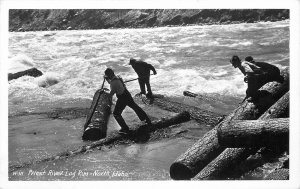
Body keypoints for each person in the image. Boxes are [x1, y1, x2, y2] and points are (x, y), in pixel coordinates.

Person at [104, 68, 152, 134]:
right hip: (127, 94)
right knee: (135, 107)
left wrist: (105, 95)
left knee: (116, 114)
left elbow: (112, 93)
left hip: (122, 98)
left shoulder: (113, 83)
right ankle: (146, 120)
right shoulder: (118, 77)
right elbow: (112, 83)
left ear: (108, 75)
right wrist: (107, 79)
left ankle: (125, 128)